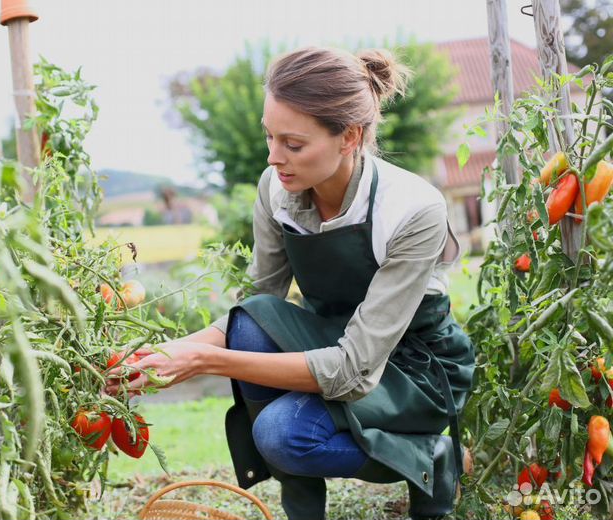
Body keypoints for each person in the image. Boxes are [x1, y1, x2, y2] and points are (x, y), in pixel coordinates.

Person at [105, 46, 476, 520]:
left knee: (283, 435)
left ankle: (430, 456)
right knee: (251, 321)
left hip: (412, 368)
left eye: (293, 145)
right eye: (269, 137)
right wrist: (160, 357)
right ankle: (303, 512)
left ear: (350, 137)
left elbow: (355, 368)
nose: (273, 157)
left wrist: (204, 361)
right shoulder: (277, 190)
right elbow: (259, 307)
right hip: (331, 340)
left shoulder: (412, 209)